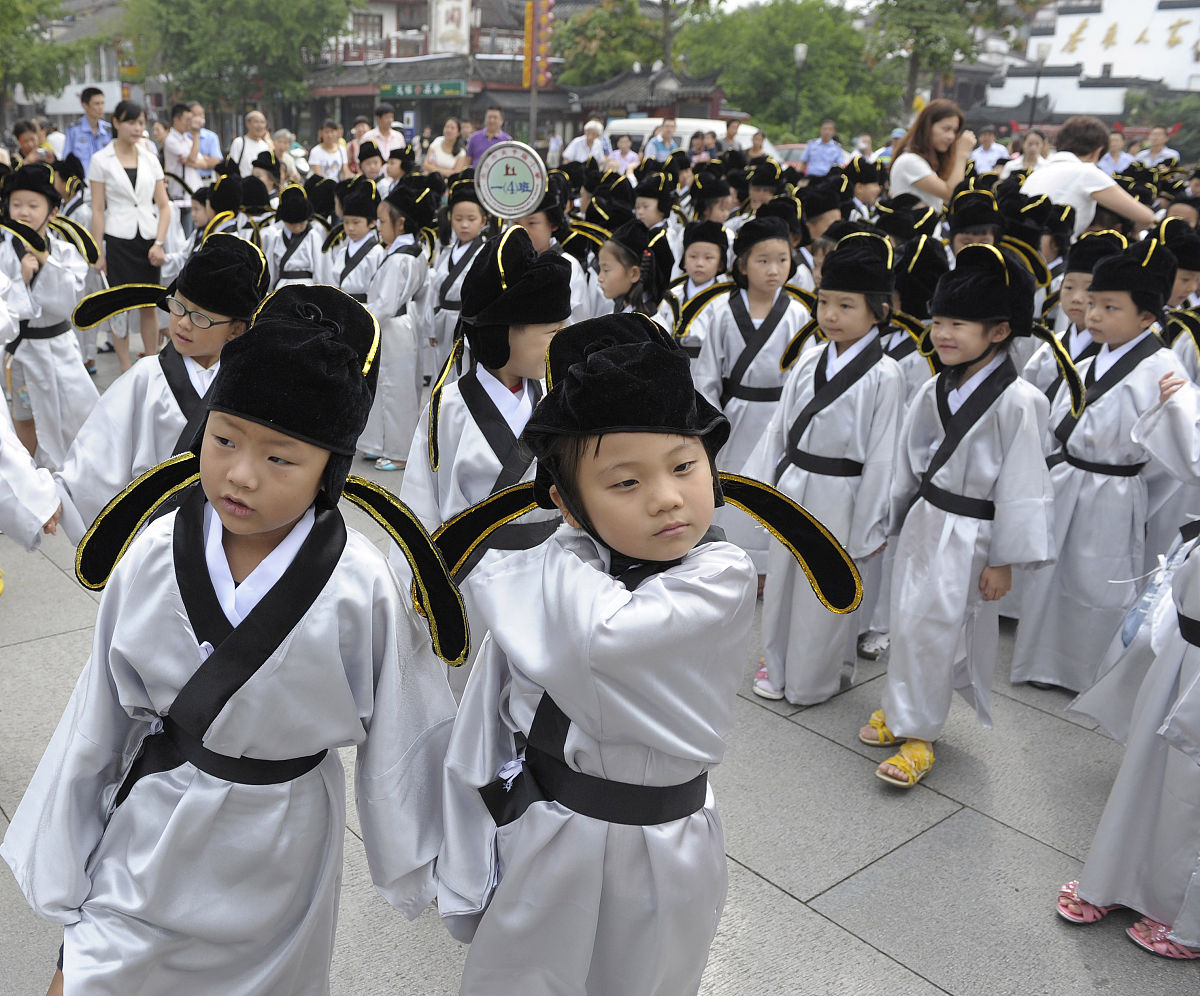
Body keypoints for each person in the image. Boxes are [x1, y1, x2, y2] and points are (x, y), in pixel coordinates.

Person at [1, 283, 463, 995]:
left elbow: (405, 729)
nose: (241, 475)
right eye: (223, 440)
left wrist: (425, 859)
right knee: (97, 973)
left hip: (283, 840)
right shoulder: (156, 551)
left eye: (281, 459)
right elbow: (98, 716)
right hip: (154, 823)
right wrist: (64, 859)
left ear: (331, 468)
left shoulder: (359, 584)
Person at [435, 312, 859, 993]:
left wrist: (547, 558)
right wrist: (468, 834)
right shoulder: (568, 564)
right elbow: (489, 711)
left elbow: (605, 640)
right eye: (625, 483)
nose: (667, 500)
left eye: (684, 466)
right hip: (547, 825)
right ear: (569, 503)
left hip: (659, 841)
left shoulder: (716, 577)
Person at [859, 245, 1056, 787]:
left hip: (973, 532)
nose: (942, 334)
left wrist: (1004, 560)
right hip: (927, 519)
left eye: (958, 325)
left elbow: (1024, 485)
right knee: (906, 617)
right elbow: (909, 461)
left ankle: (920, 735)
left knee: (941, 628)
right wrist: (892, 520)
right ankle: (900, 705)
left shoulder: (1020, 401)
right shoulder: (934, 386)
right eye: (939, 321)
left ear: (999, 331)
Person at [1012, 238, 1189, 692]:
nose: (1093, 316)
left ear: (1147, 317)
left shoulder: (1163, 368)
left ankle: (1085, 671)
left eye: (1111, 308)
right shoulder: (1089, 357)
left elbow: (1170, 455)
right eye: (1093, 304)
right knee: (1051, 576)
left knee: (1098, 583)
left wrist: (1130, 486)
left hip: (1114, 489)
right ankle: (1039, 662)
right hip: (1068, 476)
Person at [401, 226, 570, 685]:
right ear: (502, 335)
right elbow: (421, 504)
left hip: (547, 567)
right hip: (471, 578)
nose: (560, 343)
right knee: (468, 689)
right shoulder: (448, 407)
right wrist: (423, 587)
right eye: (551, 332)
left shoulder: (556, 398)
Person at [749, 233, 904, 704]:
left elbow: (884, 454)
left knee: (825, 590)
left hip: (843, 494)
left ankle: (814, 678)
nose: (830, 315)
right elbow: (779, 429)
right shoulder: (810, 358)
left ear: (878, 311)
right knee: (783, 582)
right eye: (824, 302)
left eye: (846, 305)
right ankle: (777, 662)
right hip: (797, 483)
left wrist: (871, 521)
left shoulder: (886, 374)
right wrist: (766, 489)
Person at [54, 234, 267, 542]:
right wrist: (57, 496)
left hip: (225, 535)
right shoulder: (146, 376)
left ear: (236, 329)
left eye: (199, 317)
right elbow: (98, 453)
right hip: (152, 533)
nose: (182, 323)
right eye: (178, 306)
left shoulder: (249, 384)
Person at [686, 217, 813, 582]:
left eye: (782, 260)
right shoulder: (722, 312)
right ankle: (727, 560)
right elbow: (707, 376)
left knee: (771, 488)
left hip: (779, 416)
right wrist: (712, 425)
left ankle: (767, 568)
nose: (774, 270)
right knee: (731, 485)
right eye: (763, 260)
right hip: (734, 417)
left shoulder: (798, 313)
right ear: (742, 264)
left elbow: (804, 376)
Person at [0, 164, 95, 467]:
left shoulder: (64, 252)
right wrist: (21, 280)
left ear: (53, 211)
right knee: (25, 417)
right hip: (22, 352)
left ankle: (73, 472)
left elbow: (71, 301)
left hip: (61, 346)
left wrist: (45, 261)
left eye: (33, 205)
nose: (23, 212)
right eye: (16, 204)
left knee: (77, 412)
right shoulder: (4, 253)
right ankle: (28, 472)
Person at [357, 181, 435, 471]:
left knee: (394, 389)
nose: (379, 227)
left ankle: (399, 451)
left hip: (392, 326)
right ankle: (379, 444)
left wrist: (357, 318)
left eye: (381, 221)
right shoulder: (416, 252)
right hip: (404, 323)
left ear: (400, 223)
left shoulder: (398, 259)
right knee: (389, 386)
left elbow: (384, 304)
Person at [88, 100, 171, 370]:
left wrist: (159, 242)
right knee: (119, 306)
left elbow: (164, 205)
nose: (137, 128)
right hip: (117, 238)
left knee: (149, 304)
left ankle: (151, 363)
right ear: (116, 123)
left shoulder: (150, 158)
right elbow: (98, 209)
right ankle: (124, 367)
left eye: (141, 123)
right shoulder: (101, 160)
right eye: (131, 122)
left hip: (147, 238)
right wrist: (97, 250)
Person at [1021, 115, 1157, 239]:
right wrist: (1132, 232)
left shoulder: (1038, 171)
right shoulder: (1086, 172)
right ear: (1098, 151)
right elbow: (1146, 217)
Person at [419, 174, 489, 374]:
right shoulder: (445, 252)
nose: (464, 225)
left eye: (471, 219)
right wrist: (431, 327)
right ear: (451, 219)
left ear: (483, 220)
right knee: (442, 370)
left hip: (466, 324)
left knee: (463, 372)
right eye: (458, 219)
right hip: (442, 321)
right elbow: (434, 292)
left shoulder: (485, 252)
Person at [887, 100, 975, 212]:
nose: (951, 137)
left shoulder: (923, 161)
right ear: (927, 127)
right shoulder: (910, 161)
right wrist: (961, 154)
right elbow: (951, 194)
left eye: (954, 131)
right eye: (946, 129)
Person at [261, 184, 323, 291]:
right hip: (282, 286)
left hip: (308, 286)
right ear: (284, 221)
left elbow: (320, 265)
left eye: (301, 223)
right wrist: (269, 290)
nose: (297, 227)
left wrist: (321, 290)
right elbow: (271, 267)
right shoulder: (277, 237)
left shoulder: (313, 236)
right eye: (292, 224)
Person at [163, 103, 204, 233]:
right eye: (187, 120)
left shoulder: (186, 139)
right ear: (176, 119)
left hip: (192, 192)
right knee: (185, 235)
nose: (190, 123)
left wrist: (192, 161)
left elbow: (200, 161)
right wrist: (196, 135)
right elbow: (193, 158)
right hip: (180, 195)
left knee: (195, 233)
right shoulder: (171, 140)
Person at [61, 87, 112, 176]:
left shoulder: (109, 130)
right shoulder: (73, 130)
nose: (101, 107)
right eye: (96, 104)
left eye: (102, 103)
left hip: (105, 179)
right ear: (85, 105)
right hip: (83, 181)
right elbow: (67, 159)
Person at [227, 110, 272, 178]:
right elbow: (231, 167)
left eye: (262, 122)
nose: (260, 125)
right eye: (256, 122)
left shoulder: (265, 146)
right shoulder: (239, 142)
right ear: (248, 124)